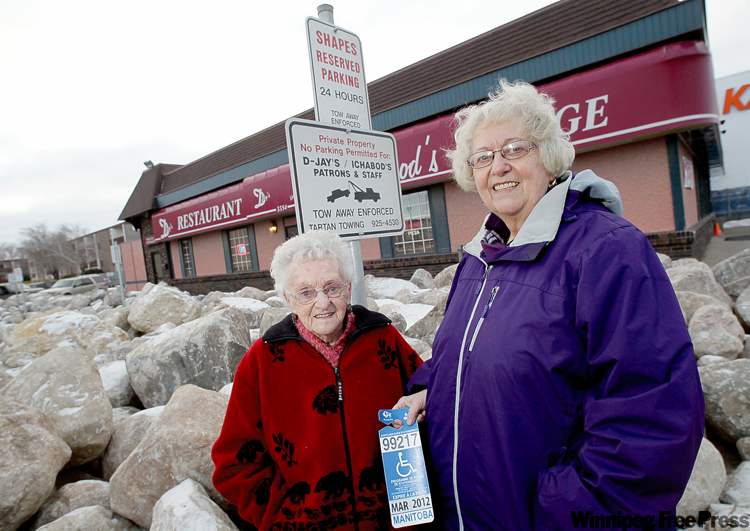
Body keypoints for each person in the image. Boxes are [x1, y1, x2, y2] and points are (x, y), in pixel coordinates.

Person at [395, 80, 704, 530]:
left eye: (515, 149)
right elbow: (466, 352)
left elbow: (651, 416)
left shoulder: (606, 250)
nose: (497, 166)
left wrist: (566, 511)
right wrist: (432, 388)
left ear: (549, 156)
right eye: (482, 158)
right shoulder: (480, 257)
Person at [212, 230, 422, 530]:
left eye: (332, 288)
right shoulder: (263, 360)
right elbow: (233, 464)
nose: (323, 302)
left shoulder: (383, 340)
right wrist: (282, 519)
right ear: (288, 298)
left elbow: (435, 406)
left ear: (348, 289)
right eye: (306, 292)